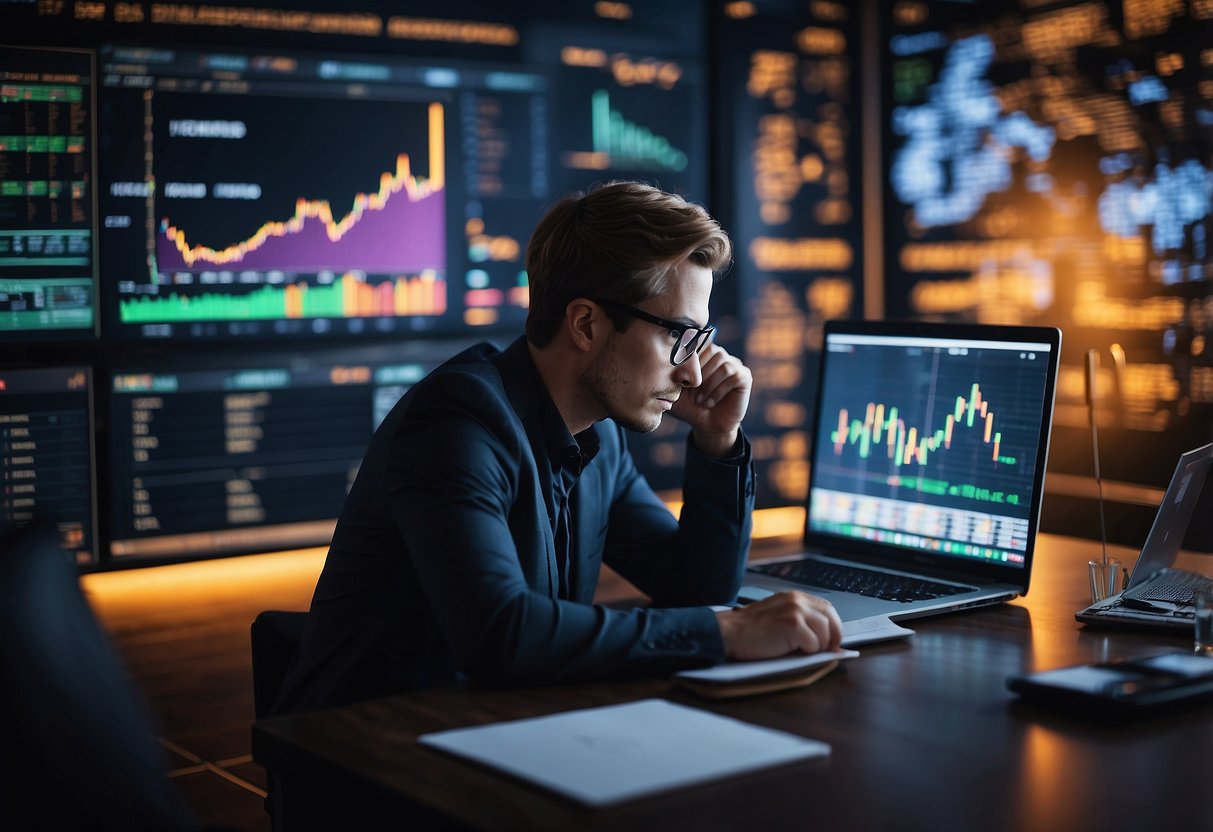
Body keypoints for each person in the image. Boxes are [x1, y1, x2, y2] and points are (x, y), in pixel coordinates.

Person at [271, 181, 841, 714]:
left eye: (701, 341)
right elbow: (501, 633)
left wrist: (717, 440)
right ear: (587, 325)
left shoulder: (599, 437)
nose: (694, 374)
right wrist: (729, 633)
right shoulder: (456, 423)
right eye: (678, 336)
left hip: (494, 731)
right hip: (363, 757)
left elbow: (697, 588)